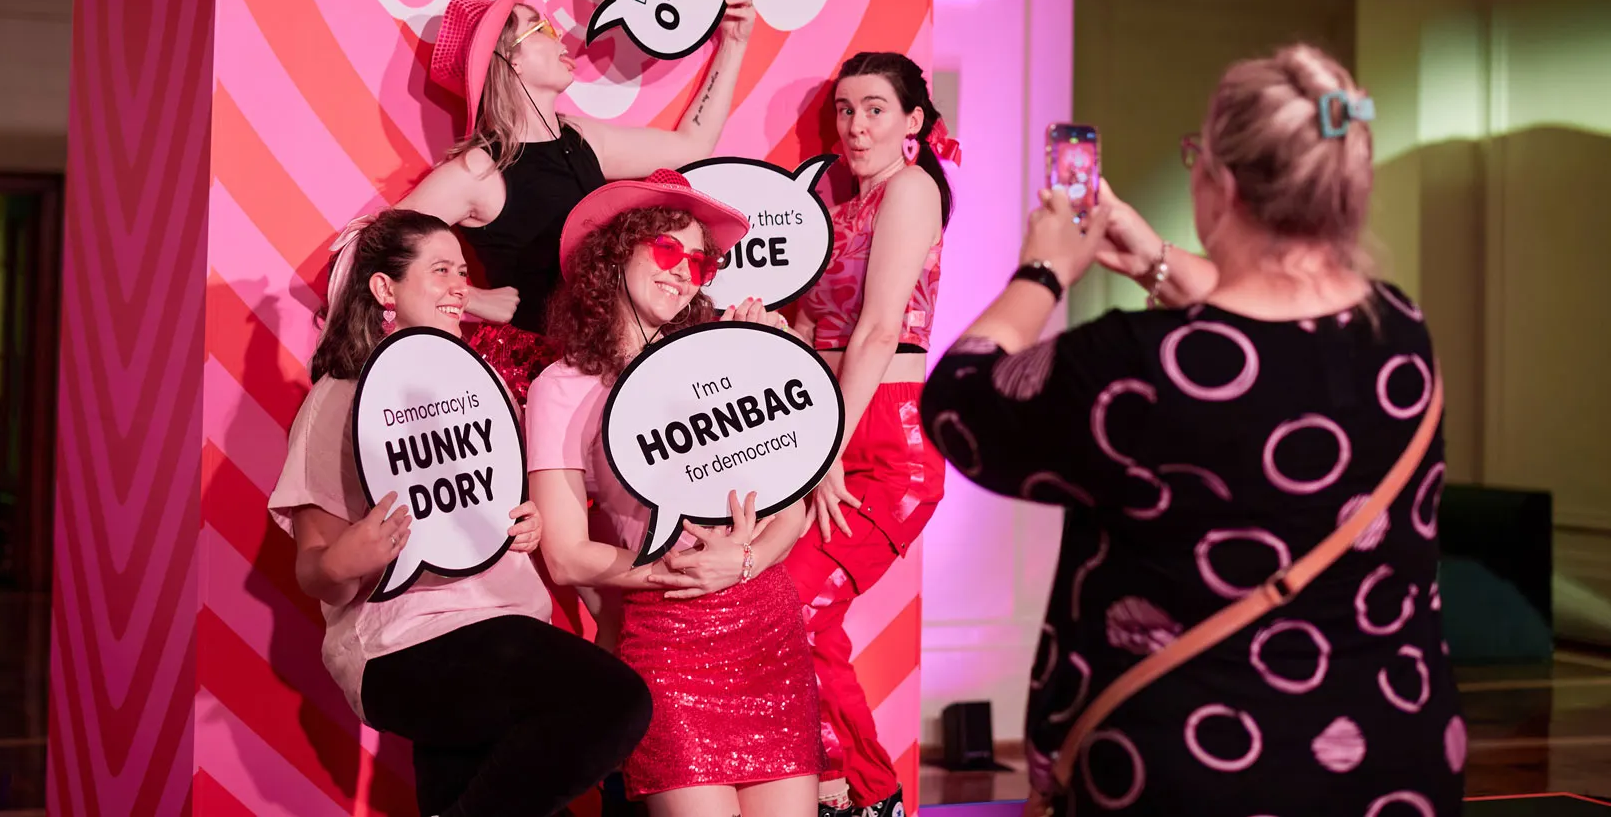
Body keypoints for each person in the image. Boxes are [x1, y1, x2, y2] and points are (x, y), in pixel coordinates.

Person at [922, 45, 1461, 816]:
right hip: (1395, 753)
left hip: (1198, 767)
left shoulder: (1133, 367)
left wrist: (1044, 270)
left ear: (1223, 185)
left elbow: (960, 400)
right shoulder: (1399, 327)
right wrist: (1153, 262)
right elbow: (1272, 326)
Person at [272, 209, 653, 817]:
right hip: (407, 643)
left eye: (463, 270)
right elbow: (315, 570)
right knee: (614, 701)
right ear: (384, 288)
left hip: (509, 621)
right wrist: (355, 554)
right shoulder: (340, 396)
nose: (460, 285)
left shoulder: (486, 386)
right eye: (442, 269)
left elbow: (491, 505)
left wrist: (525, 523)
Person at [524, 171, 824, 815]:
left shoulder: (723, 356)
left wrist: (741, 561)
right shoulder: (563, 386)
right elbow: (567, 557)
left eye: (698, 260)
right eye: (666, 251)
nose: (684, 273)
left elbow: (791, 509)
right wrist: (673, 569)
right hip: (669, 640)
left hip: (766, 631)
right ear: (615, 253)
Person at [398, 0, 758, 346]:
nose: (561, 41)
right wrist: (468, 297)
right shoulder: (480, 170)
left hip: (606, 355)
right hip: (539, 366)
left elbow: (693, 143)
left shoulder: (582, 138)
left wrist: (734, 42)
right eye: (543, 30)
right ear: (509, 59)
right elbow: (371, 248)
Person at [785, 51, 956, 817]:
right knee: (770, 605)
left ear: (913, 120)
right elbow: (814, 326)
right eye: (845, 110)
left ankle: (865, 791)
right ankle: (847, 788)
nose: (855, 125)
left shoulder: (912, 190)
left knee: (797, 603)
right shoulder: (833, 204)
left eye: (875, 108)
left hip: (885, 437)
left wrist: (826, 442)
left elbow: (880, 328)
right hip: (829, 420)